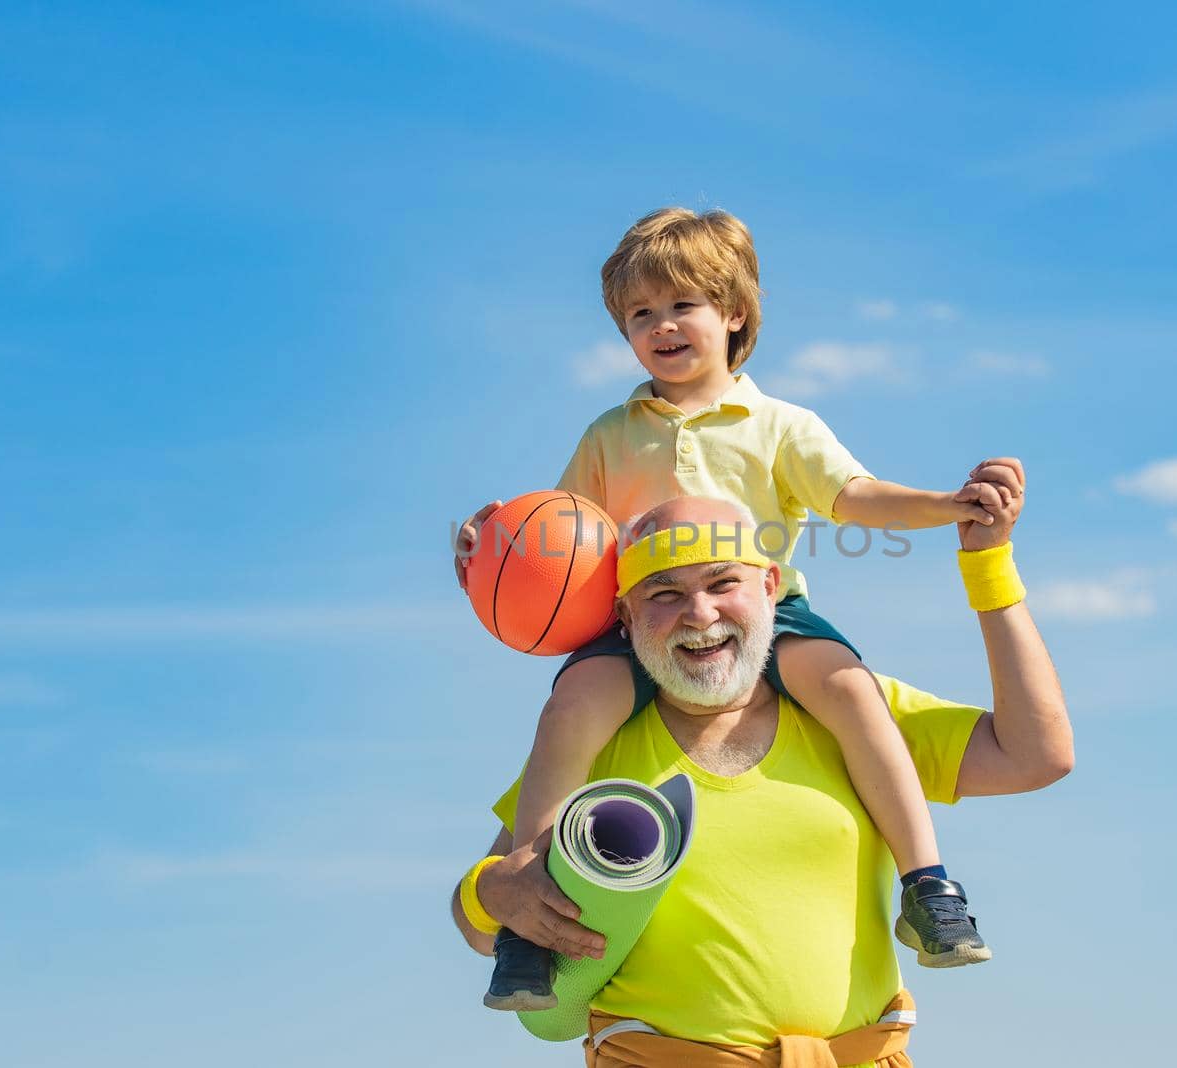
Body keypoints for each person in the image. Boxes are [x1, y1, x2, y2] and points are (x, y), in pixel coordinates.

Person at [456, 207, 1020, 1010]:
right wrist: (487, 557)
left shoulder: (780, 424)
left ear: (733, 312)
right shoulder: (610, 434)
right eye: (638, 315)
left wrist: (944, 505)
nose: (660, 326)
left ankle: (929, 886)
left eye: (679, 305)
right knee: (573, 702)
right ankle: (527, 913)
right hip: (642, 622)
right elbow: (563, 541)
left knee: (855, 692)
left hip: (767, 617)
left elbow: (853, 497)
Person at [452, 487, 1071, 1066]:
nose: (700, 613)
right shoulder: (592, 733)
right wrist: (488, 896)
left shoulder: (854, 709)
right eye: (663, 593)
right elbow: (481, 916)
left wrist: (988, 563)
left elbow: (1035, 754)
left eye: (724, 583)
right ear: (624, 614)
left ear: (771, 587)